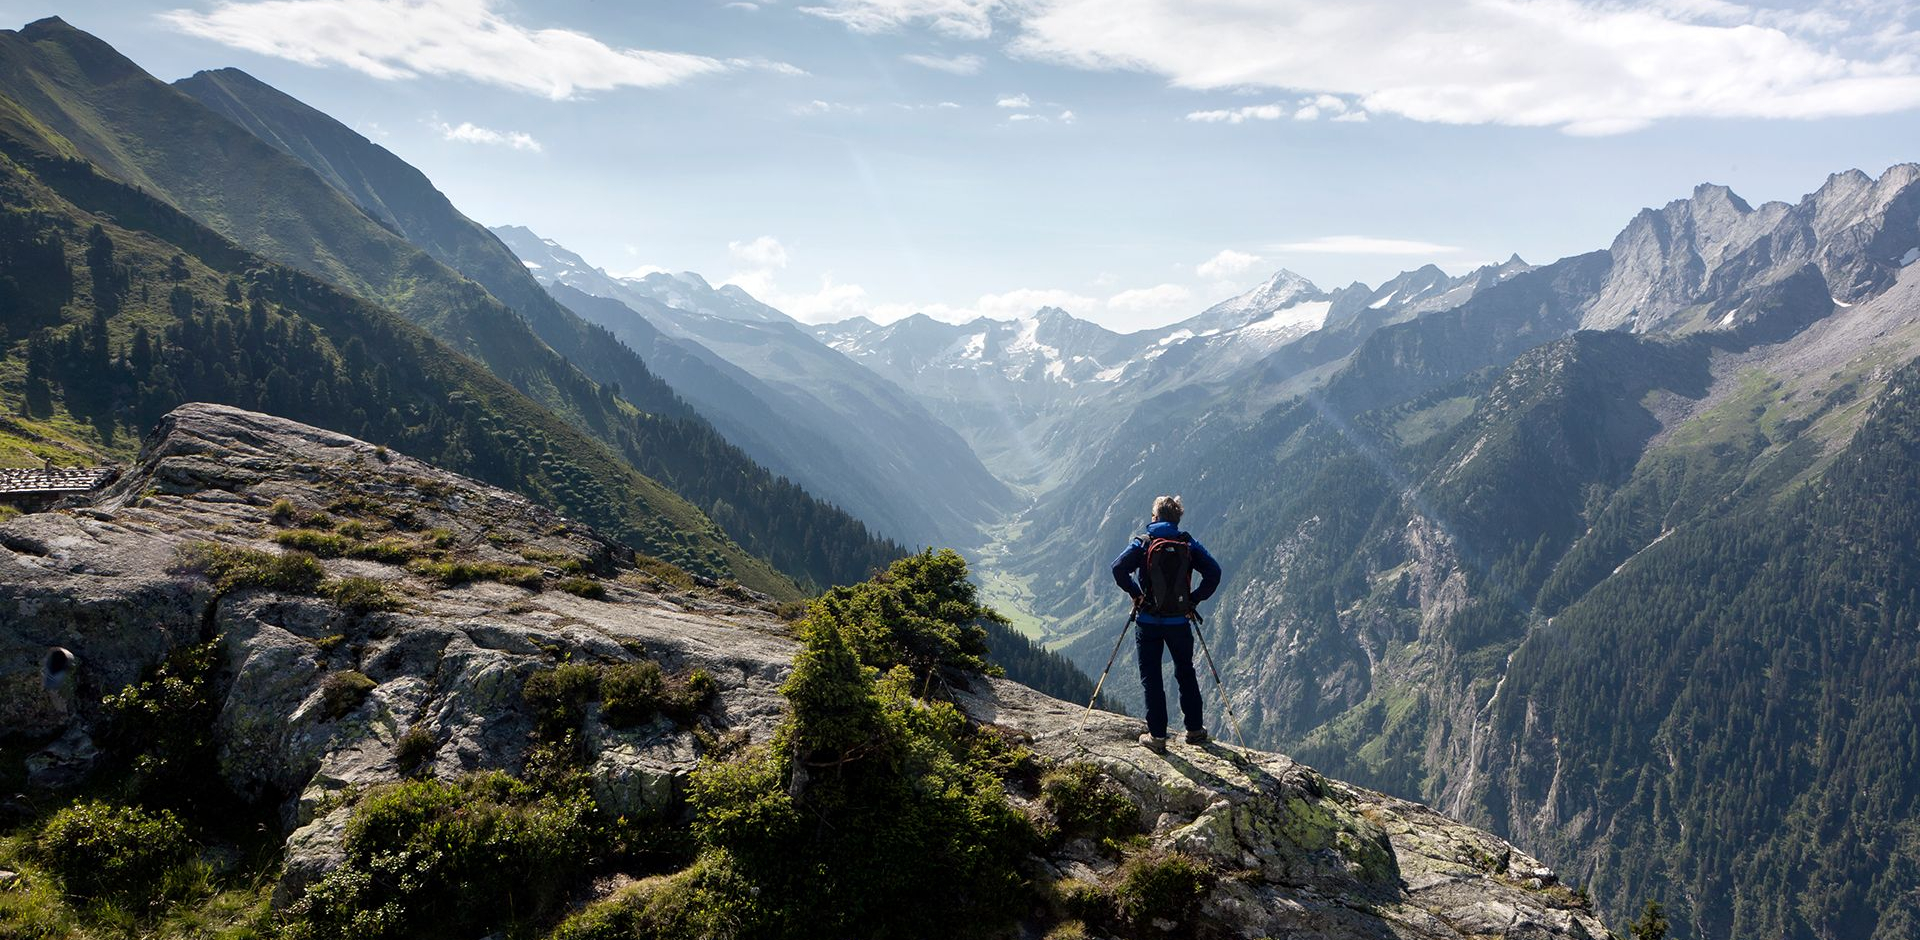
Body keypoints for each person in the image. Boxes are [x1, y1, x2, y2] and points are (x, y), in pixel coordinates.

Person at [1110, 495, 1222, 753]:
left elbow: (1118, 568)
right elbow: (1214, 573)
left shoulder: (1143, 542)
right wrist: (1193, 600)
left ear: (1155, 517)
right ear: (1177, 518)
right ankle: (1194, 730)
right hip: (1179, 621)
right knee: (1185, 671)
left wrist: (1135, 593)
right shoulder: (1188, 543)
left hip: (1148, 621)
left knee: (1152, 677)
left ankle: (1157, 737)